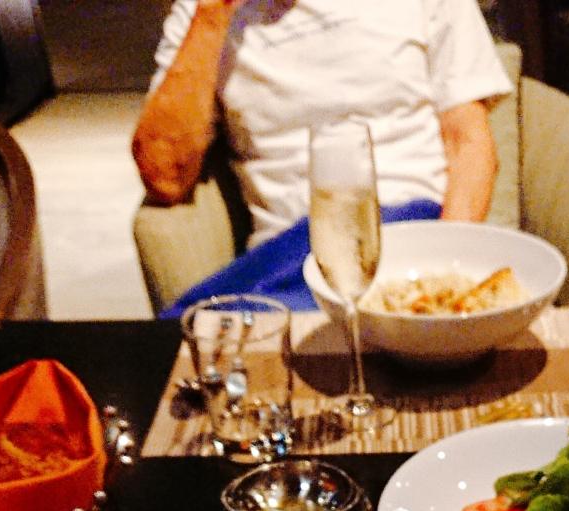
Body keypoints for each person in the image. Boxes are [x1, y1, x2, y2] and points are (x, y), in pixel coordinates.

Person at [132, 0, 511, 312]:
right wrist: (213, 15)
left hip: (410, 235)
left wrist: (442, 271)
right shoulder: (203, 13)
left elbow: (468, 142)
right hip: (287, 266)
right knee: (193, 356)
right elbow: (165, 175)